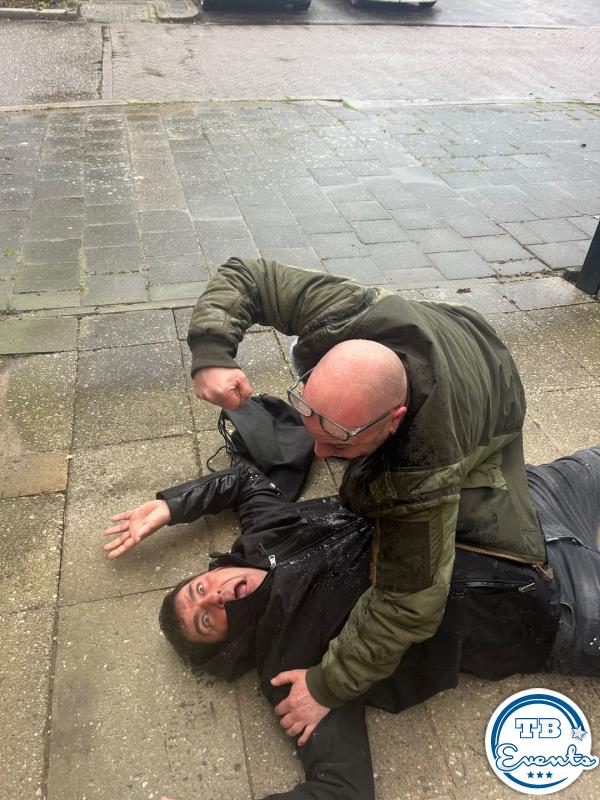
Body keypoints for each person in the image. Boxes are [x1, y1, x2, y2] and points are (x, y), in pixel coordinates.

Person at [103, 448, 600, 800]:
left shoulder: (264, 537)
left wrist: (171, 506)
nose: (213, 597)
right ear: (227, 646)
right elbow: (341, 789)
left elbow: (244, 480)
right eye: (207, 620)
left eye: (198, 590)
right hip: (558, 604)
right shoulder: (290, 671)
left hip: (518, 501)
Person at [183, 257, 547, 737]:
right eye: (312, 424)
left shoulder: (423, 466)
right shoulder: (347, 310)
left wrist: (327, 685)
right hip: (449, 326)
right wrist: (212, 351)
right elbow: (250, 275)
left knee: (464, 514)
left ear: (395, 422)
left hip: (495, 387)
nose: (318, 454)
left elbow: (410, 605)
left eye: (338, 447)